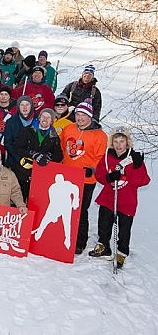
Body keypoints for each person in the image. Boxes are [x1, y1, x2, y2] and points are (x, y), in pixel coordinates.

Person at [91, 126, 150, 268]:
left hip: (126, 200)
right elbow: (99, 175)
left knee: (124, 229)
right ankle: (104, 245)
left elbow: (143, 181)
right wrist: (109, 177)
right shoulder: (107, 156)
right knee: (104, 224)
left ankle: (122, 253)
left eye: (122, 141)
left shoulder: (133, 158)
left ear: (127, 142)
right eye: (115, 141)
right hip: (108, 198)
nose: (118, 145)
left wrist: (137, 166)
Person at [60, 100, 108, 254]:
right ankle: (62, 234)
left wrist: (92, 169)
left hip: (86, 179)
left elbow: (101, 157)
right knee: (63, 206)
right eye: (78, 114)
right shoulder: (68, 128)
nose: (79, 118)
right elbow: (61, 148)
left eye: (83, 115)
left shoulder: (100, 135)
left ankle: (80, 241)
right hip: (67, 174)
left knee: (80, 209)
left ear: (90, 116)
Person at [11, 108, 63, 201]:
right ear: (39, 117)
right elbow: (17, 148)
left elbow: (59, 155)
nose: (45, 119)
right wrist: (33, 154)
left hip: (41, 175)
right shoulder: (27, 130)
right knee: (20, 201)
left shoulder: (54, 136)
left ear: (52, 121)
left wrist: (48, 157)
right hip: (23, 172)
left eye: (48, 117)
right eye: (43, 116)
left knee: (35, 202)